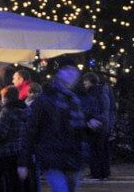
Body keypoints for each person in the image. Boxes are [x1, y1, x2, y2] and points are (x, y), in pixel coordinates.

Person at [24, 58, 98, 192]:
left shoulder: (75, 98)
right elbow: (31, 129)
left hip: (72, 156)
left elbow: (77, 129)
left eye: (74, 72)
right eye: (68, 71)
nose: (72, 75)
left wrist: (89, 127)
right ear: (60, 73)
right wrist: (23, 162)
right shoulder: (47, 97)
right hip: (52, 155)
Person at [0, 86, 30, 192]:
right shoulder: (26, 109)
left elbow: (1, 132)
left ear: (6, 98)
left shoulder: (7, 111)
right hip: (21, 151)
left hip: (6, 151)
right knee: (16, 182)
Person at [78, 70, 116, 181]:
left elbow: (102, 109)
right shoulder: (101, 92)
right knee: (99, 149)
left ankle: (98, 173)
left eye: (85, 81)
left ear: (90, 81)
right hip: (101, 124)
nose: (84, 83)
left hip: (99, 125)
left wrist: (93, 119)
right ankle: (100, 173)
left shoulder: (98, 93)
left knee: (97, 149)